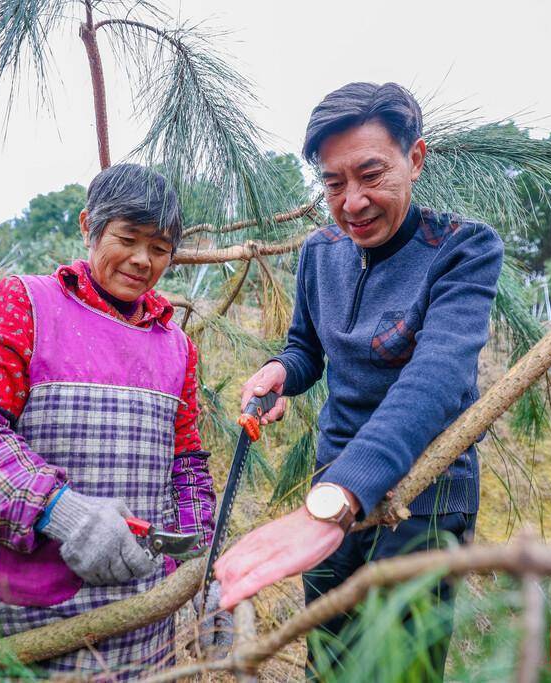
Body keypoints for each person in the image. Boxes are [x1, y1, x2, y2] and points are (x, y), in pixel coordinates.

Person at [213, 82, 504, 679]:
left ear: (415, 159)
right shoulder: (322, 253)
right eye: (333, 183)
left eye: (371, 175)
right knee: (331, 657)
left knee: (400, 666)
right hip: (332, 479)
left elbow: (436, 378)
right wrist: (281, 372)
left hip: (423, 489)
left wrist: (342, 493)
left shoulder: (461, 249)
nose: (352, 203)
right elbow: (307, 349)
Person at [0, 163, 220, 677]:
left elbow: (186, 465)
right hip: (13, 618)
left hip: (135, 620)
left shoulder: (176, 347)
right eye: (127, 238)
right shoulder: (22, 304)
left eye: (161, 248)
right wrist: (63, 511)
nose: (143, 260)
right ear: (87, 226)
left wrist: (203, 573)